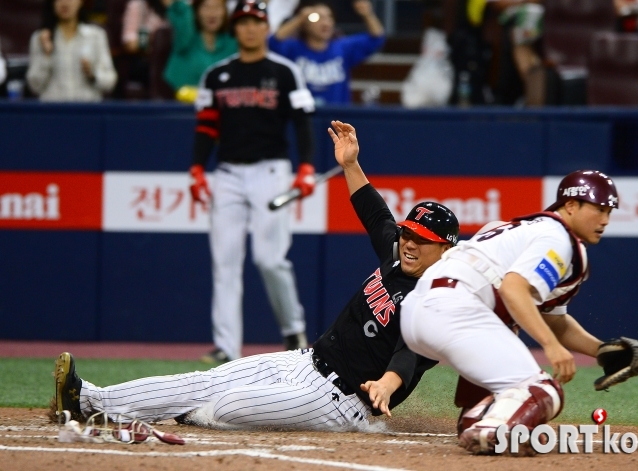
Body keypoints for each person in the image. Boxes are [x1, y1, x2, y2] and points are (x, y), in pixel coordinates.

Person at [52, 120, 460, 430]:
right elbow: (374, 212)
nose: (409, 242)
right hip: (306, 362)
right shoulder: (397, 254)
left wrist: (388, 383)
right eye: (408, 232)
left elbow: (410, 353)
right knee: (205, 382)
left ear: (446, 249)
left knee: (226, 405)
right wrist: (351, 164)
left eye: (422, 239)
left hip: (341, 401)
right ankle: (87, 399)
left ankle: (188, 416)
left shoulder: (436, 299)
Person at [399, 170, 638, 455]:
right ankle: (492, 430)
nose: (605, 220)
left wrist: (599, 350)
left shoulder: (523, 228)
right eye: (599, 209)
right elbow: (515, 291)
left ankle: (478, 419)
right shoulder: (559, 238)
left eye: (609, 212)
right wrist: (551, 348)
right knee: (542, 390)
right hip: (455, 309)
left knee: (508, 373)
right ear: (571, 206)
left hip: (418, 310)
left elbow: (553, 319)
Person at [191, 0, 315, 363]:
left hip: (271, 172)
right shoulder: (216, 74)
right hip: (227, 173)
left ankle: (293, 329)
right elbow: (205, 126)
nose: (249, 28)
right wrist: (196, 168)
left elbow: (303, 122)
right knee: (225, 263)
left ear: (266, 28)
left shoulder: (284, 71)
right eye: (243, 22)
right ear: (235, 28)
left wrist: (306, 166)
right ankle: (226, 348)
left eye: (256, 22)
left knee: (269, 258)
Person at [268, 0, 385, 106]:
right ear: (305, 24)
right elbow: (272, 42)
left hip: (337, 119)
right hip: (303, 118)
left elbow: (377, 38)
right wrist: (299, 18)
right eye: (318, 18)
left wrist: (367, 14)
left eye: (329, 17)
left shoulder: (342, 47)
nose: (325, 23)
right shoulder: (293, 48)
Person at [27, 0, 117, 101]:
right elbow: (34, 86)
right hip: (52, 111)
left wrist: (92, 75)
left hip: (86, 110)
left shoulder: (96, 36)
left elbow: (110, 81)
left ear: (81, 2)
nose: (65, 3)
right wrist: (46, 56)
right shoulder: (40, 38)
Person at [161, 0, 238, 94]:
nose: (212, 13)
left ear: (225, 11)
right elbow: (179, 10)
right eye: (206, 7)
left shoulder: (233, 42)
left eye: (217, 7)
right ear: (196, 11)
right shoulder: (185, 36)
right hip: (180, 104)